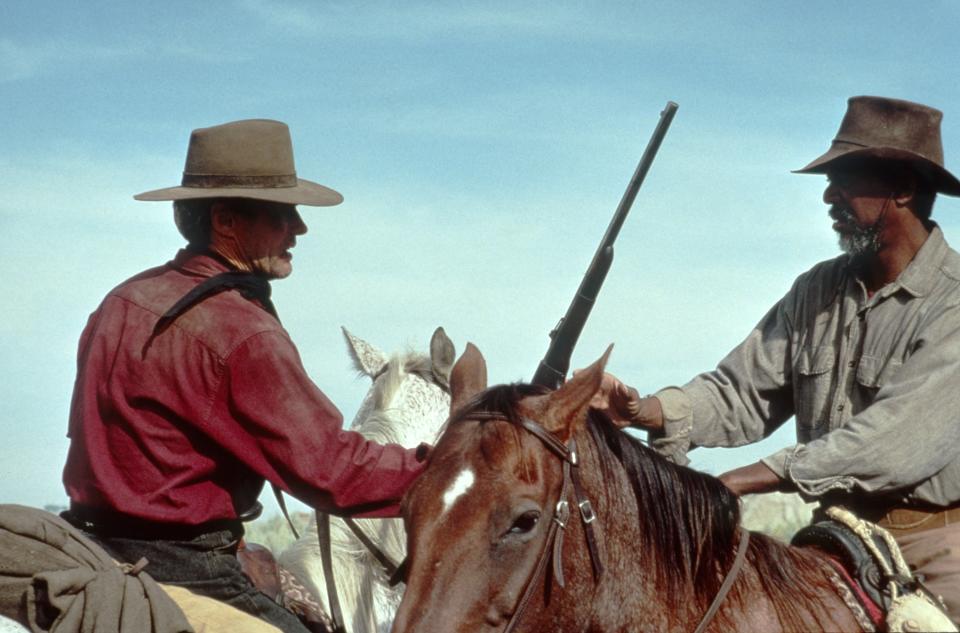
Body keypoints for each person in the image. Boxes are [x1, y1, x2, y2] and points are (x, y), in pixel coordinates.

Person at [597, 96, 960, 621]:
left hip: (935, 548)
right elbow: (740, 391)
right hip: (834, 542)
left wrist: (743, 480)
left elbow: (893, 440)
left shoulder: (953, 302)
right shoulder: (815, 289)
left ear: (903, 189)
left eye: (845, 179)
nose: (829, 195)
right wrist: (645, 411)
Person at [60, 119, 429, 632]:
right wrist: (449, 469)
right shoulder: (243, 334)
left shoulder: (120, 302)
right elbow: (331, 470)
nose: (299, 228)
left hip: (87, 543)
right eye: (283, 214)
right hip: (185, 568)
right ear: (226, 220)